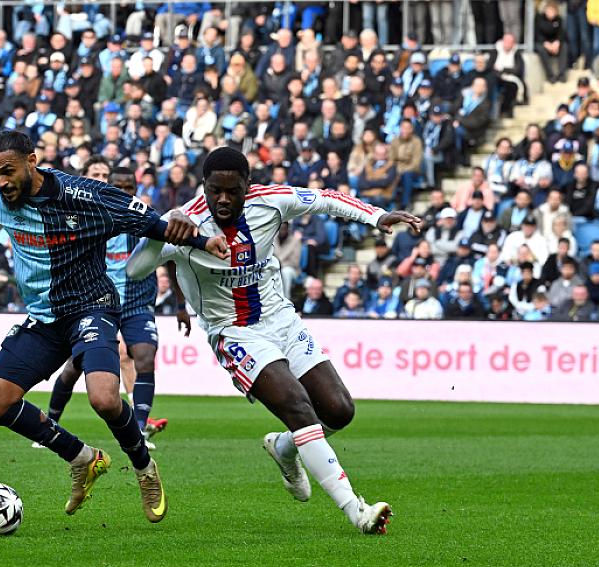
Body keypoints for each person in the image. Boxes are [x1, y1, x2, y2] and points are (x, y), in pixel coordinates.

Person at [0, 131, 228, 524]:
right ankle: (82, 458)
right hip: (44, 319)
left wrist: (200, 240)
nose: (2, 181)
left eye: (8, 171)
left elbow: (148, 223)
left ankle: (145, 470)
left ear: (32, 160)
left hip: (91, 307)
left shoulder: (83, 196)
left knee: (105, 399)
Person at [127, 147, 421, 534]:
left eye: (233, 191)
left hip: (280, 318)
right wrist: (158, 233)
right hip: (232, 330)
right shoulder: (185, 221)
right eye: (215, 190)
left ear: (249, 186)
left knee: (339, 411)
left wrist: (376, 215)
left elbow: (325, 200)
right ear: (204, 185)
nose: (223, 200)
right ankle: (357, 510)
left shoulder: (271, 202)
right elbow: (134, 270)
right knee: (299, 406)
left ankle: (284, 447)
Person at [44, 160, 172, 450]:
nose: (125, 192)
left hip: (138, 304)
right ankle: (51, 422)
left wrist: (178, 302)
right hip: (98, 302)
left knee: (143, 356)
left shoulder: (147, 220)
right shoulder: (92, 218)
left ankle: (139, 430)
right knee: (74, 367)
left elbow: (171, 252)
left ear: (137, 189)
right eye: (119, 187)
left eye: (130, 188)